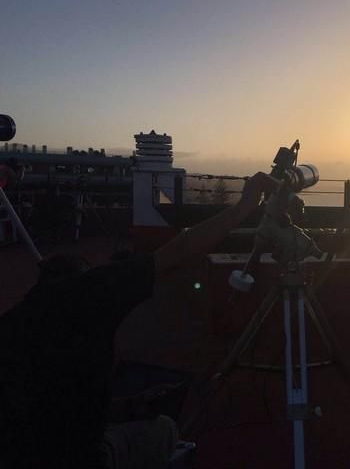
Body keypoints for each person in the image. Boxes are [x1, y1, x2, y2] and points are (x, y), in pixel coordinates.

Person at [0, 172, 278, 469]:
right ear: (84, 276)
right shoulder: (91, 294)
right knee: (165, 430)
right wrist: (243, 207)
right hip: (81, 457)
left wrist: (126, 408)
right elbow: (181, 249)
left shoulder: (15, 323)